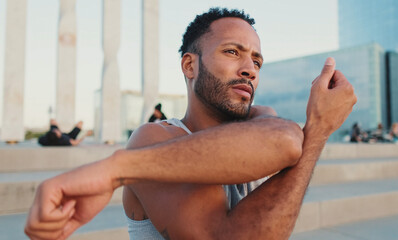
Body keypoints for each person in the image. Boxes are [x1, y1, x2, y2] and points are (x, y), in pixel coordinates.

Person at [24, 8, 357, 240]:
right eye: (232, 52)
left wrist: (117, 169)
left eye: (257, 60)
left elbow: (285, 140)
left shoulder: (259, 118)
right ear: (189, 65)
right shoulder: (154, 136)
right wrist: (318, 130)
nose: (250, 69)